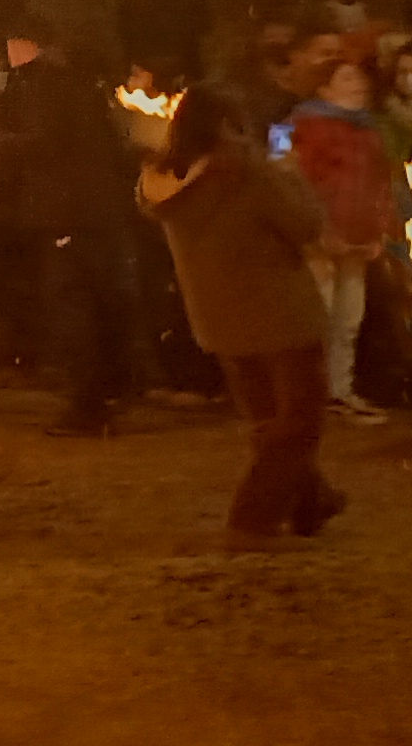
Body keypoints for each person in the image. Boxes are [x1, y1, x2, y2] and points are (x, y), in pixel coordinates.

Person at [139, 88, 344, 544]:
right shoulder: (248, 175)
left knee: (269, 422)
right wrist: (288, 175)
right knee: (299, 421)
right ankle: (251, 519)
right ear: (228, 126)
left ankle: (312, 501)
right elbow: (306, 225)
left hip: (219, 319)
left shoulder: (164, 180)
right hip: (281, 313)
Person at [0, 14, 148, 438]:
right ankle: (114, 390)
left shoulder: (41, 83)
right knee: (102, 300)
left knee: (72, 305)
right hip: (100, 210)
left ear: (22, 44)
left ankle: (86, 405)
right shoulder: (86, 83)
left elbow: (44, 139)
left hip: (67, 212)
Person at [281, 51, 395, 419]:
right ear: (324, 87)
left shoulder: (369, 130)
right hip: (319, 238)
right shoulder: (300, 125)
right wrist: (317, 231)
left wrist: (380, 229)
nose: (357, 86)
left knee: (348, 318)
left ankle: (338, 391)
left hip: (357, 238)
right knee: (317, 317)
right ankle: (304, 397)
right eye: (346, 79)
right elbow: (292, 180)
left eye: (359, 79)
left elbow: (382, 183)